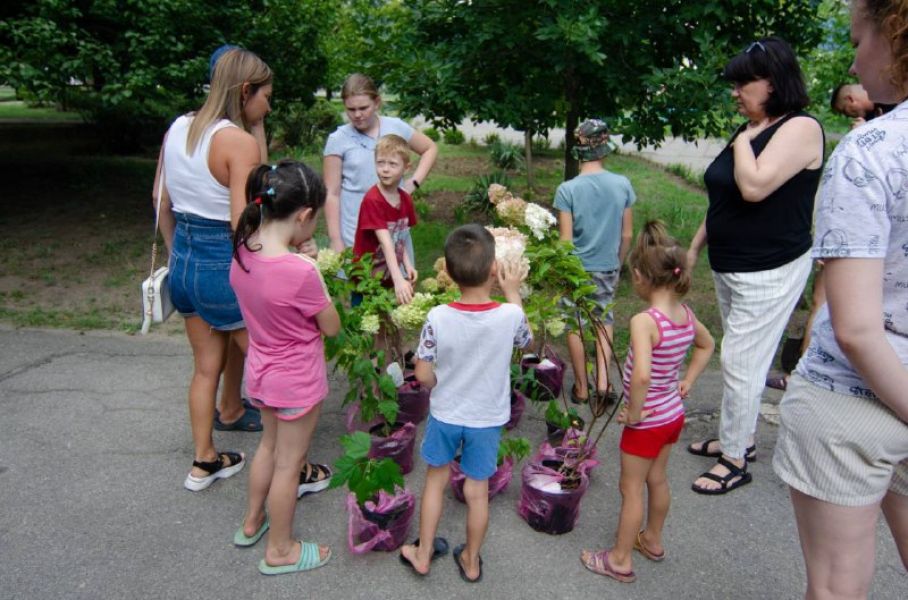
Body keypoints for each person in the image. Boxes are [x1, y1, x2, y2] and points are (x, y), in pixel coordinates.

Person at [773, 1, 908, 597]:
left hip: (853, 403)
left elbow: (855, 327)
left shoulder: (870, 152)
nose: (854, 58)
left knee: (836, 586)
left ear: (896, 35)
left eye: (859, 38)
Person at [686, 36, 825, 495]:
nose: (735, 92)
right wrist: (693, 250)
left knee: (742, 361)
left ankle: (735, 459)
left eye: (744, 82)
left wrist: (746, 138)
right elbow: (723, 196)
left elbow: (755, 187)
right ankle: (737, 438)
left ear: (774, 80)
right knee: (741, 357)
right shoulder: (753, 127)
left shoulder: (800, 128)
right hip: (732, 266)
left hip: (770, 268)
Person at [155, 47, 272, 491]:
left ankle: (204, 460)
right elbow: (244, 220)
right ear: (246, 91)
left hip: (184, 255)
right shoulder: (236, 142)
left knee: (206, 368)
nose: (269, 105)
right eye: (266, 95)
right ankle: (287, 466)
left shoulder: (179, 127)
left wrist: (176, 254)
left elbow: (160, 201)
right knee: (272, 365)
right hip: (222, 262)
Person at [581, 221, 714, 583]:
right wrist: (686, 380)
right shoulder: (686, 315)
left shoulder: (645, 321)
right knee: (658, 479)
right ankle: (652, 540)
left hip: (648, 421)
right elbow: (707, 345)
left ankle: (620, 559)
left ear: (639, 276)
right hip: (672, 416)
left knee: (630, 490)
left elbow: (640, 376)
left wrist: (635, 412)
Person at [399, 225, 532, 582]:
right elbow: (527, 341)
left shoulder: (438, 317)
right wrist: (512, 292)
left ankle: (423, 553)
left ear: (450, 273)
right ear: (494, 269)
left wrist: (442, 384)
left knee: (434, 481)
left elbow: (423, 374)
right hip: (487, 418)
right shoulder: (509, 316)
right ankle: (471, 561)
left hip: (446, 413)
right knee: (477, 491)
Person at [229, 161, 338, 575]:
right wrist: (315, 270)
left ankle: (252, 521)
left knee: (269, 449)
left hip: (260, 371)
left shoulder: (243, 247)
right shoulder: (301, 271)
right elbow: (331, 326)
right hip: (296, 381)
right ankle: (280, 549)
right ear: (304, 215)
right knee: (289, 465)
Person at [554, 118, 634, 405]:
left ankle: (582, 388)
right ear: (605, 150)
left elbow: (565, 241)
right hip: (607, 265)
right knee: (603, 320)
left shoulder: (567, 190)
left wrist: (563, 272)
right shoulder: (623, 185)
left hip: (575, 270)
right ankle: (602, 383)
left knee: (574, 323)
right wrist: (617, 262)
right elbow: (627, 234)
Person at [323, 73, 438, 258]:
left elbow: (429, 148)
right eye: (351, 109)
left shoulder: (396, 127)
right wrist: (336, 239)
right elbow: (332, 193)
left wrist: (412, 184)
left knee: (401, 282)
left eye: (363, 108)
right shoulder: (338, 140)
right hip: (357, 231)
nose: (357, 115)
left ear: (377, 102)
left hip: (395, 228)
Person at [352, 134, 419, 306]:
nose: (385, 169)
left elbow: (399, 236)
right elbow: (386, 242)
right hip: (367, 276)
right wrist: (399, 279)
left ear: (406, 168)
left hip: (389, 272)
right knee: (364, 323)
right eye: (380, 162)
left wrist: (407, 264)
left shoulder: (405, 199)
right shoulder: (373, 200)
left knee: (388, 322)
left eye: (392, 164)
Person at [830, 81, 895, 127]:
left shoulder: (892, 90)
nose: (847, 116)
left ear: (850, 99)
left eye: (844, 110)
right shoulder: (867, 119)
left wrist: (866, 130)